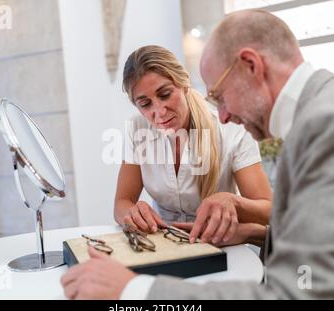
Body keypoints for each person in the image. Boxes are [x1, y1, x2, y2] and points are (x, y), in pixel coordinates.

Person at [61, 9, 334, 299]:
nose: (224, 115)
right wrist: (252, 234)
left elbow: (310, 292)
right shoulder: (325, 117)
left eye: (220, 95)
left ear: (251, 65)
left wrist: (135, 290)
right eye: (145, 104)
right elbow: (320, 246)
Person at [115, 45, 271, 246]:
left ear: (184, 85)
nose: (160, 112)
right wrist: (132, 212)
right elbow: (121, 202)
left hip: (222, 246)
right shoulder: (137, 129)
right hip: (165, 246)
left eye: (165, 94)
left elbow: (269, 211)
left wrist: (233, 202)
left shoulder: (229, 125)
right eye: (145, 104)